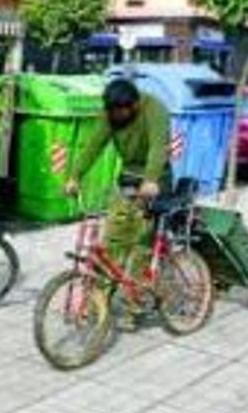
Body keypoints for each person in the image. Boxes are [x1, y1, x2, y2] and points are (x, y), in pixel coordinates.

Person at [64, 78, 171, 330]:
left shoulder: (154, 109)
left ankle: (134, 308)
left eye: (119, 111)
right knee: (112, 242)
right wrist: (75, 176)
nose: (113, 116)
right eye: (110, 111)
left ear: (133, 105)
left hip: (155, 180)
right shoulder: (112, 114)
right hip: (128, 180)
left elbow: (158, 147)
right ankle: (97, 303)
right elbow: (94, 145)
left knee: (140, 247)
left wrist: (151, 180)